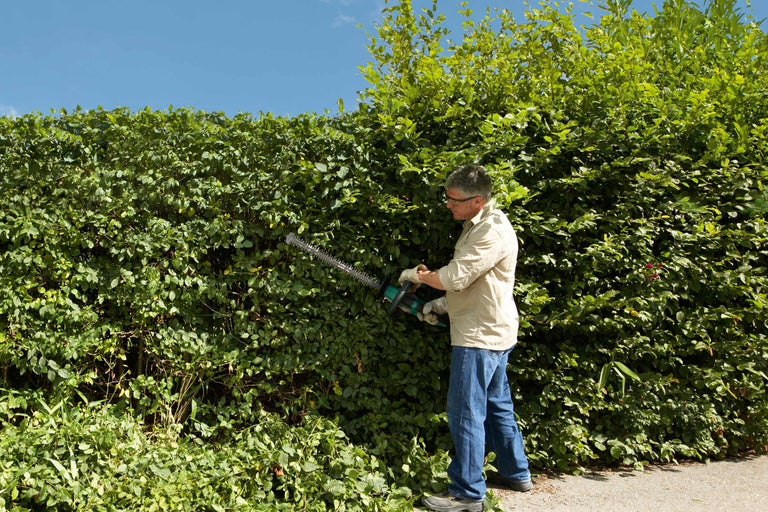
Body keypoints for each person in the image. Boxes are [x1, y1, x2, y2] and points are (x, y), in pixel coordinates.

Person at [399, 164, 532, 512]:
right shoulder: (477, 225)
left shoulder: (490, 231)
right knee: (496, 404)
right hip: (492, 328)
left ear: (477, 201)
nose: (448, 204)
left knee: (465, 412)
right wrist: (440, 306)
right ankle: (516, 472)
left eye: (453, 199)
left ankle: (467, 494)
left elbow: (456, 277)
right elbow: (477, 282)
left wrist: (419, 276)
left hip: (479, 336)